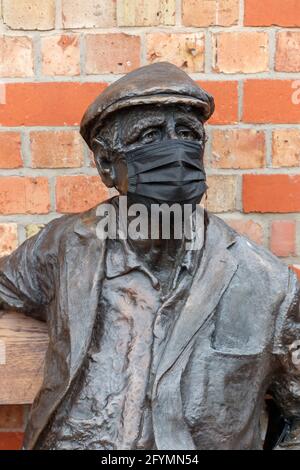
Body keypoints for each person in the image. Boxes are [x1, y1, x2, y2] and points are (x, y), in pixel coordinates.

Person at [0, 62, 299, 450]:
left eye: (188, 134)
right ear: (107, 164)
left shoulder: (267, 284)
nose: (176, 151)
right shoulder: (65, 246)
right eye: (151, 135)